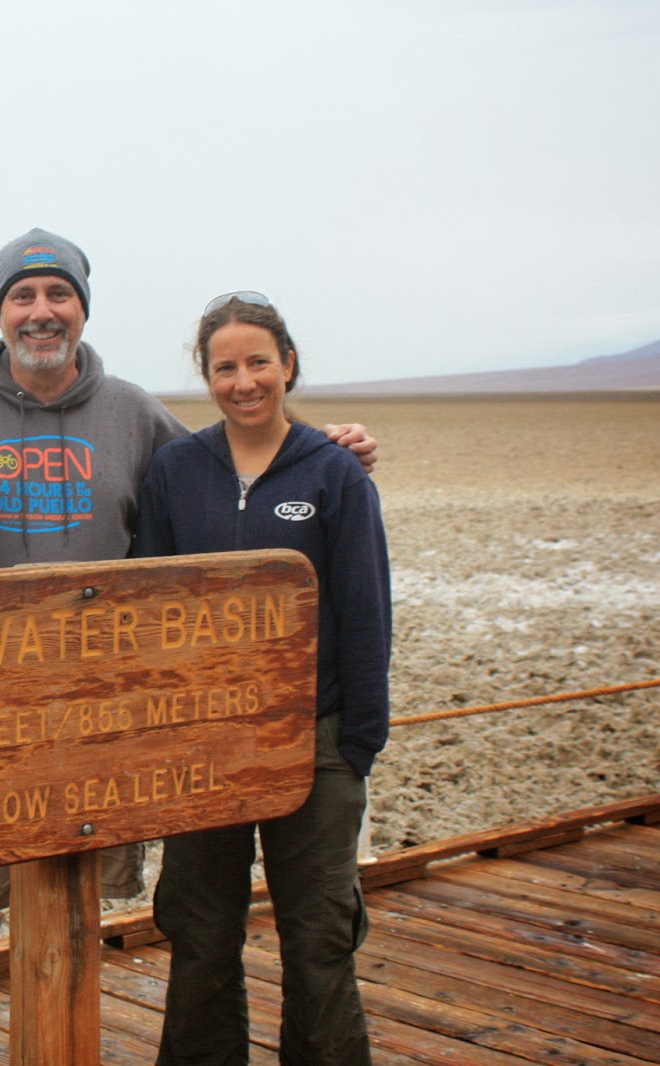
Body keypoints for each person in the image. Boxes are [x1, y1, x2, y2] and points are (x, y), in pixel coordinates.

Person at [0, 230, 380, 1065]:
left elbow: (245, 465)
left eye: (59, 293)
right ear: (1, 311)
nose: (42, 311)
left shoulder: (134, 414)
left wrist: (333, 447)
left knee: (84, 904)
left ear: (83, 308)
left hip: (116, 726)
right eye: (23, 295)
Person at [135, 291, 391, 1065]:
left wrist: (357, 745)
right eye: (225, 368)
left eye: (258, 363)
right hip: (204, 746)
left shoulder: (335, 473)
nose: (243, 382)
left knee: (318, 939)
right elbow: (149, 609)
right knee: (200, 932)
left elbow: (365, 612)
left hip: (314, 742)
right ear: (206, 376)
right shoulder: (176, 470)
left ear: (288, 365)